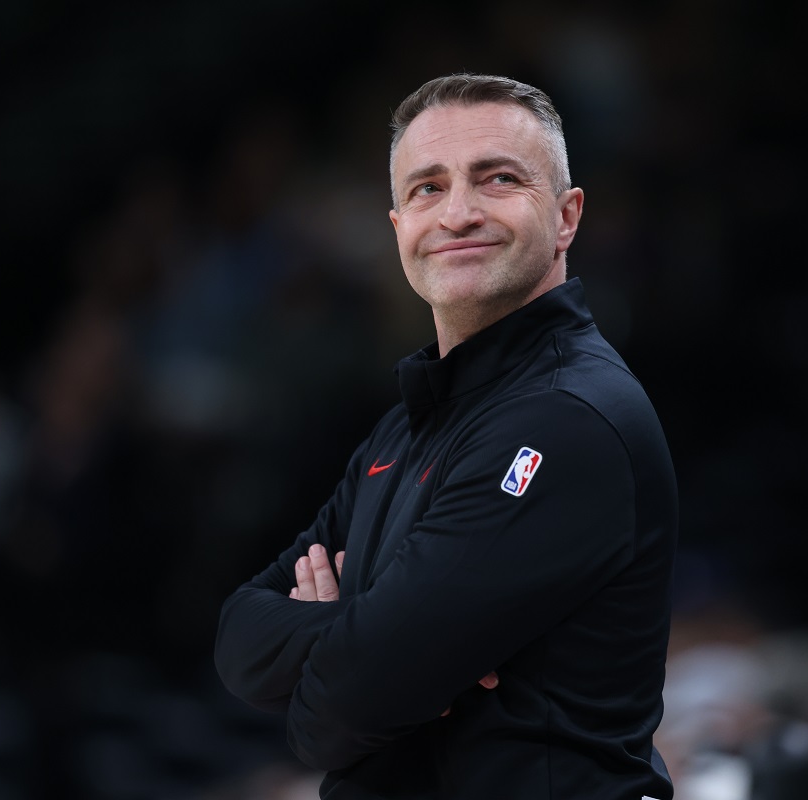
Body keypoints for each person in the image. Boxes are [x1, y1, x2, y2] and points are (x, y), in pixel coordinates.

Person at [215, 73, 679, 800]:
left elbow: (337, 715)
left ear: (566, 217)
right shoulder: (404, 426)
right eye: (428, 188)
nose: (458, 213)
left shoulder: (568, 416)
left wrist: (354, 654)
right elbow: (239, 635)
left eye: (497, 179)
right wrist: (364, 638)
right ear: (399, 227)